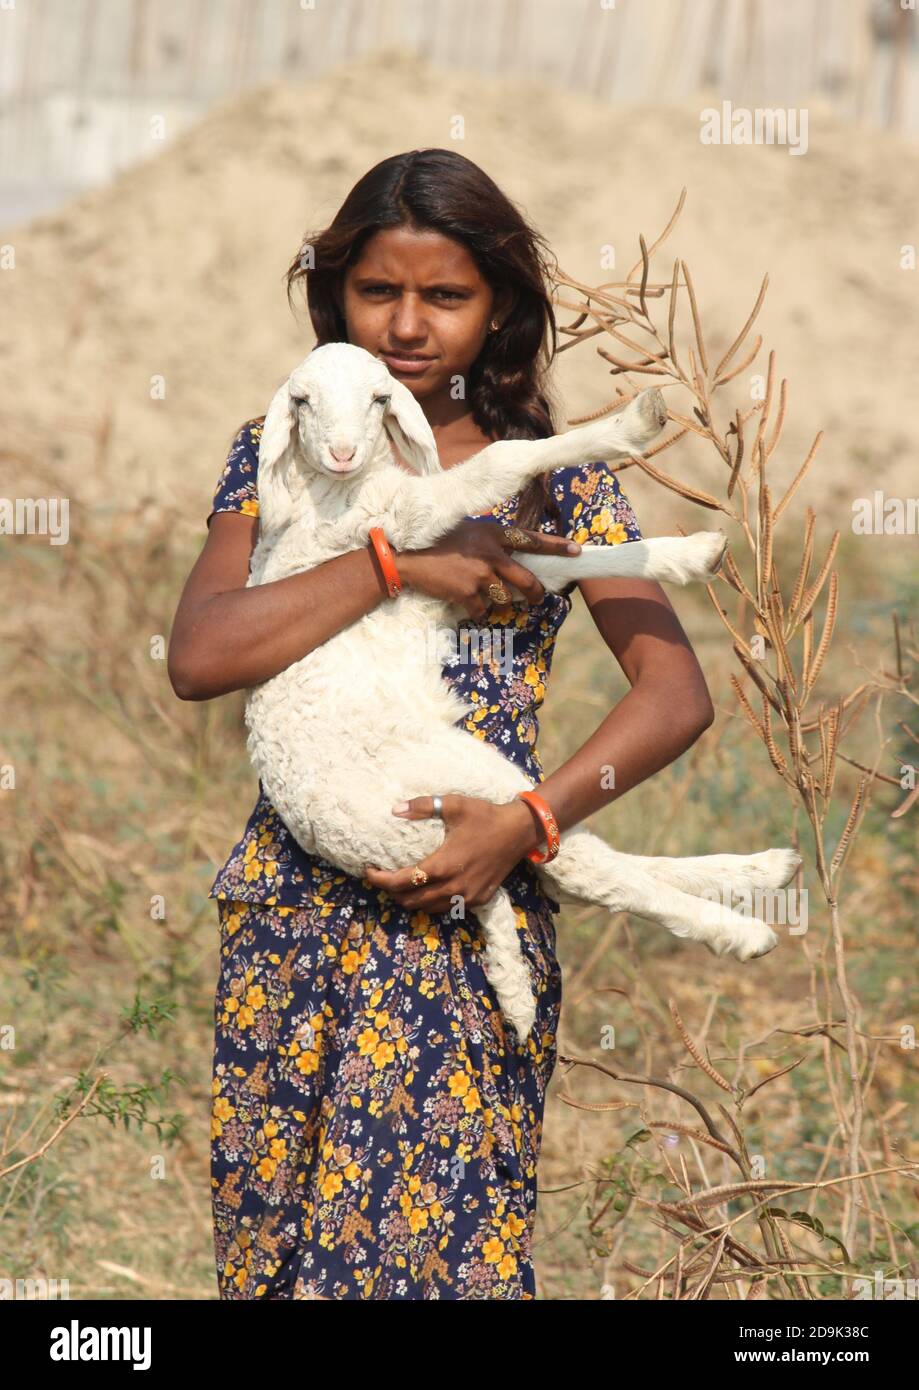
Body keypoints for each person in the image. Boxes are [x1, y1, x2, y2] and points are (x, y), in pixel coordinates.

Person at [168, 149, 715, 1301]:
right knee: (279, 1261)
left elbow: (673, 694)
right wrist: (401, 564)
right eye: (378, 292)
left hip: (467, 914)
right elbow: (203, 654)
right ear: (336, 297)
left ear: (500, 306)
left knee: (447, 1262)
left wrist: (528, 821)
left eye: (446, 296)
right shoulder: (279, 459)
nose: (407, 326)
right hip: (295, 918)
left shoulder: (552, 488)